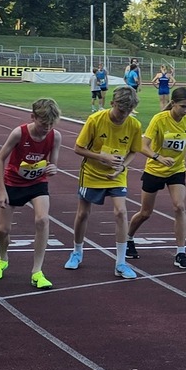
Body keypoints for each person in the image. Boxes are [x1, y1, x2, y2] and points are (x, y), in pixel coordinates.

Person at [66, 86, 153, 280]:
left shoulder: (134, 124)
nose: (124, 115)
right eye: (121, 110)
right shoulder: (95, 120)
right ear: (113, 103)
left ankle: (120, 263)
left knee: (121, 212)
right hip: (92, 172)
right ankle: (77, 252)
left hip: (116, 174)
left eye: (129, 111)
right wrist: (102, 157)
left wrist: (122, 167)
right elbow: (78, 148)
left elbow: (133, 150)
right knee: (83, 213)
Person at [126, 87, 186, 271]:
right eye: (183, 106)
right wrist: (158, 157)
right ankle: (128, 237)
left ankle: (181, 253)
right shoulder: (159, 119)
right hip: (154, 170)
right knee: (145, 213)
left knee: (179, 206)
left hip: (176, 170)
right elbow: (142, 146)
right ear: (173, 103)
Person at [0, 97, 62, 289]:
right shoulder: (19, 133)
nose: (47, 128)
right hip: (13, 183)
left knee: (42, 220)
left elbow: (53, 165)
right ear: (33, 117)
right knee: (2, 230)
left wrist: (53, 168)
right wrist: (1, 190)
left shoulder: (55, 136)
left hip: (37, 183)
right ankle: (2, 259)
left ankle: (37, 271)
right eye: (43, 123)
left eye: (51, 124)